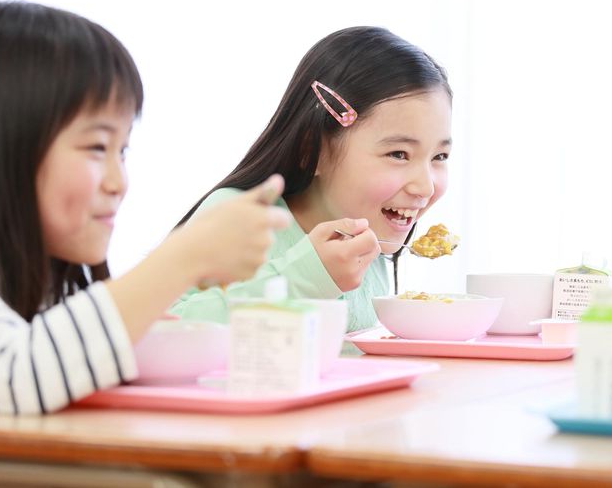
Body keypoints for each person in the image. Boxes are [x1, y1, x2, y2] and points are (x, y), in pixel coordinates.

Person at [0, 1, 290, 414]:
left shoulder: (42, 281)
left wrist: (133, 327)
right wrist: (183, 257)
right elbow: (13, 375)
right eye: (98, 147)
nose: (119, 182)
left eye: (123, 151)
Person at [171, 26, 452, 332]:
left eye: (439, 156)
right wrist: (307, 277)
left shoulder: (368, 238)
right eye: (398, 154)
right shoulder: (240, 217)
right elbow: (155, 332)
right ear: (313, 151)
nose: (425, 187)